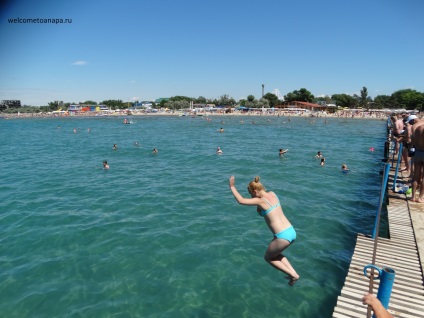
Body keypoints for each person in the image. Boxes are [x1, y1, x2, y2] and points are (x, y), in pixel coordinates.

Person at [228, 176, 299, 286]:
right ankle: (292, 273)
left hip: (282, 236)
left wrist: (232, 187)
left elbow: (241, 201)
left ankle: (293, 275)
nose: (251, 197)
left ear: (255, 191)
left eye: (251, 195)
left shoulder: (260, 201)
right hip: (290, 231)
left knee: (268, 258)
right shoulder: (273, 194)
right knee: (276, 255)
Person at [410, 117, 424, 202]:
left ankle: (413, 196)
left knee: (415, 175)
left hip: (417, 152)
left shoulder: (417, 128)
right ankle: (420, 197)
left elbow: (413, 142)